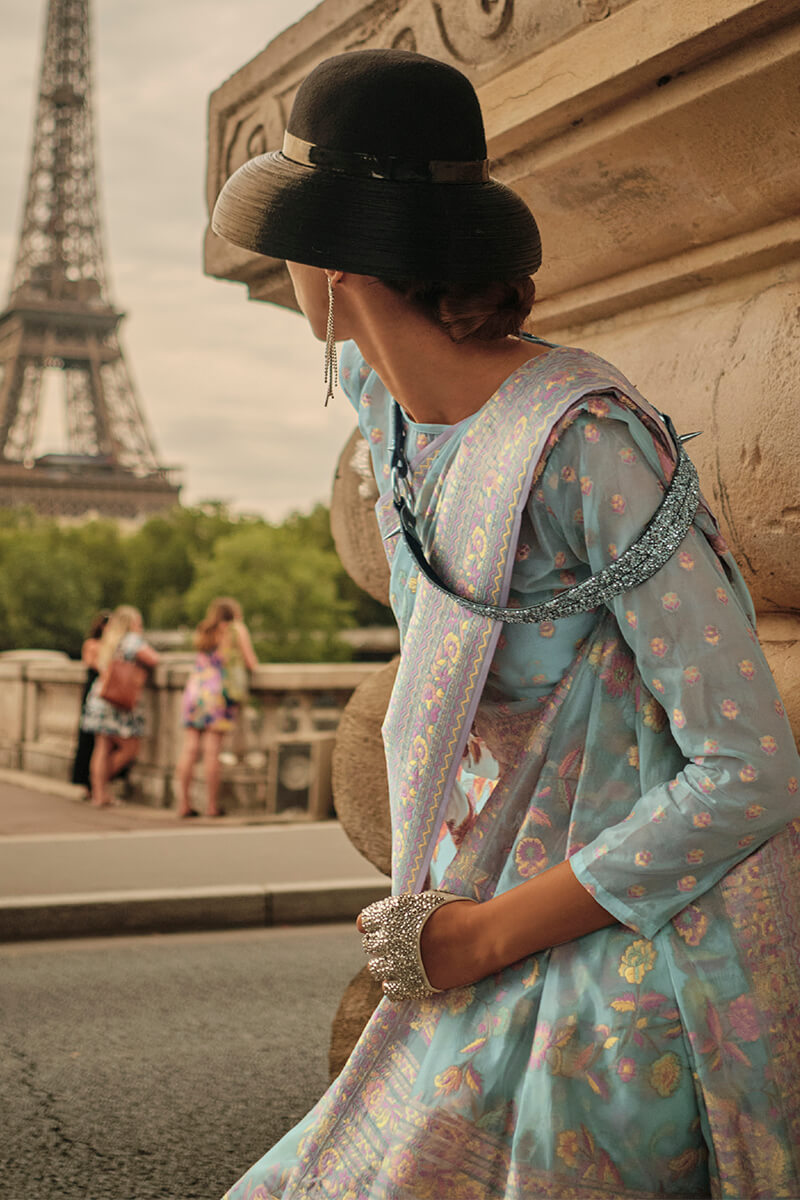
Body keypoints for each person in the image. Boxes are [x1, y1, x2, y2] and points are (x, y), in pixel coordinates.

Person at [211, 50, 800, 1200]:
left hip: (604, 959)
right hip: (471, 935)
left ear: (330, 263)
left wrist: (482, 938)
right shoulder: (388, 420)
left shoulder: (586, 444)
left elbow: (749, 767)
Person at [175, 597, 258, 818]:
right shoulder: (235, 630)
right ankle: (211, 806)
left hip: (195, 689)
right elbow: (252, 663)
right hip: (218, 692)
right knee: (212, 751)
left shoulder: (204, 629)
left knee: (190, 748)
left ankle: (184, 804)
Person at [81, 605, 159, 808]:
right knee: (130, 748)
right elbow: (154, 659)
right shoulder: (131, 640)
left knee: (102, 747)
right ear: (132, 623)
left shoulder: (108, 640)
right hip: (118, 701)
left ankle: (99, 794)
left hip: (100, 696)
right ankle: (100, 786)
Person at [70, 610, 110, 799]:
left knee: (99, 742)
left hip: (103, 692)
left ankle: (97, 784)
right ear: (101, 625)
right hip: (94, 691)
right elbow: (94, 664)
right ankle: (87, 783)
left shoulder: (109, 644)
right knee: (87, 738)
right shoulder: (92, 644)